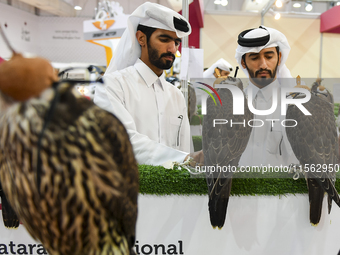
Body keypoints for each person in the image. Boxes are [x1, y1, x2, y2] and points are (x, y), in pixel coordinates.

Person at [94, 2, 204, 166]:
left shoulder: (176, 95)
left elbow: (185, 149)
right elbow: (122, 141)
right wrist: (183, 158)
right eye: (164, 39)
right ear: (141, 38)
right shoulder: (112, 85)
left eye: (176, 42)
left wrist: (190, 160)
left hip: (172, 192)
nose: (172, 49)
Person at [235, 25, 299, 167]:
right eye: (255, 57)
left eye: (269, 56)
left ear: (279, 57)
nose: (263, 64)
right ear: (243, 62)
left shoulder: (295, 105)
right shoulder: (232, 105)